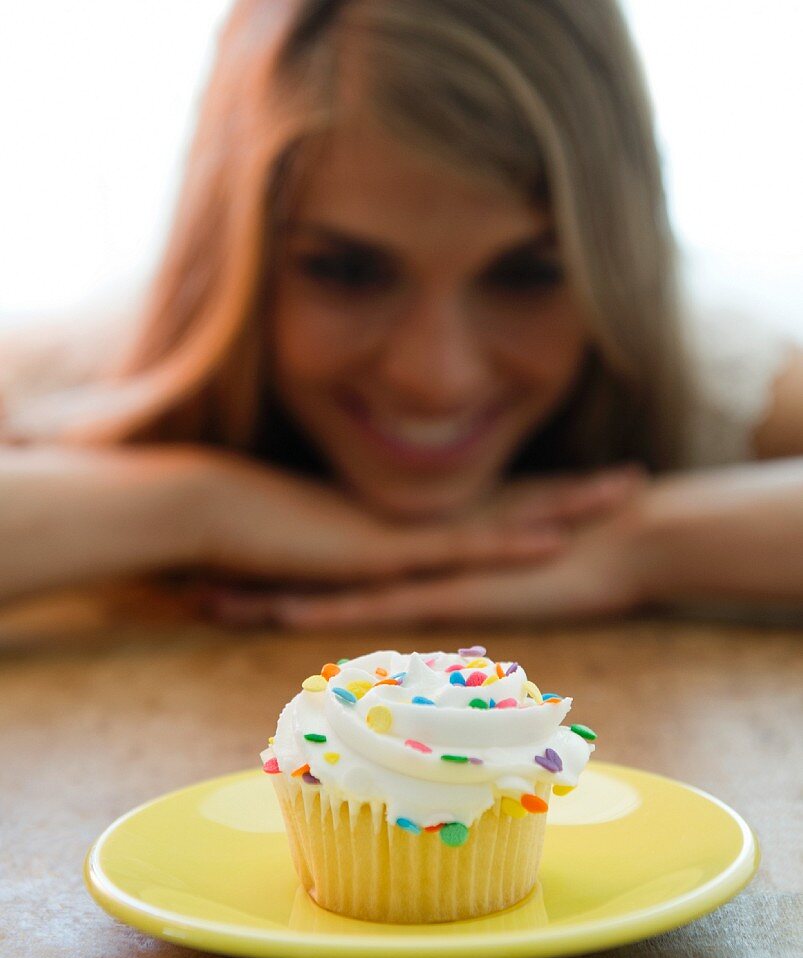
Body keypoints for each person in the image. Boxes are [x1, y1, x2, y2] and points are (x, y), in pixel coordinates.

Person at [1, 0, 801, 628]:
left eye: (527, 275)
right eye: (347, 272)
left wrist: (637, 547)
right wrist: (198, 505)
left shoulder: (707, 373)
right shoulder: (97, 367)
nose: (434, 376)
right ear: (240, 260)